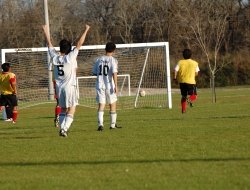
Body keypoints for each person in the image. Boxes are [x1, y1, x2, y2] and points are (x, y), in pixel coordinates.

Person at [42, 24, 90, 137]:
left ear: (60, 48)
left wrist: (45, 31)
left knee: (63, 109)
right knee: (72, 109)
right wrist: (86, 30)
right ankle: (64, 129)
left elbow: (49, 44)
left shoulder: (54, 57)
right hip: (70, 87)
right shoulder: (70, 57)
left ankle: (62, 129)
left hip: (59, 88)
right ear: (69, 49)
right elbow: (79, 44)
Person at [92, 42, 121, 131]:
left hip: (100, 85)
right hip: (109, 85)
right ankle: (112, 125)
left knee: (101, 105)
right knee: (112, 104)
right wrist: (116, 85)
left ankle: (100, 124)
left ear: (105, 49)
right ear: (113, 50)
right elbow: (114, 73)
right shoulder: (113, 60)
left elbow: (94, 73)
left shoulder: (98, 59)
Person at [174, 49, 199, 113]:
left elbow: (176, 70)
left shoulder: (180, 62)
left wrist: (175, 77)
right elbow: (197, 73)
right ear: (191, 55)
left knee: (183, 96)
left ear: (183, 55)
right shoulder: (195, 63)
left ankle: (183, 110)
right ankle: (189, 100)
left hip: (182, 82)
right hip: (191, 82)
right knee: (194, 96)